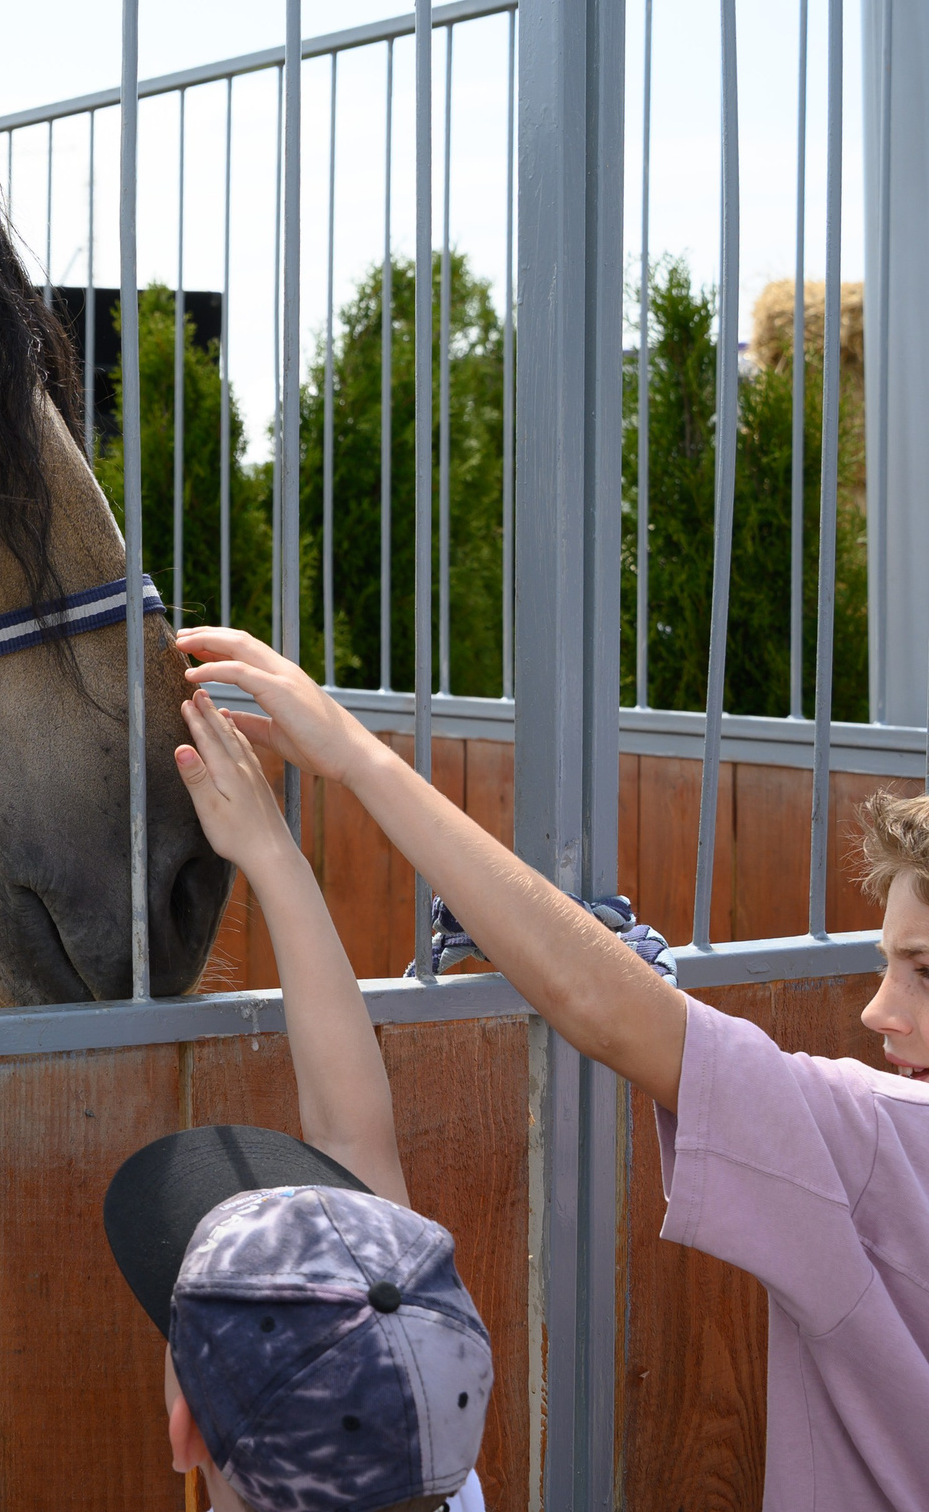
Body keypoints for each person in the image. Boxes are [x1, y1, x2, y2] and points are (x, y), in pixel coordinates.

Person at [173, 624, 929, 1510]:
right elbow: (354, 1145)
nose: (877, 1008)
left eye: (922, 969)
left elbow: (603, 1009)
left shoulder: (887, 1140)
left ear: (187, 1433)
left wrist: (354, 761)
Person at [103, 684, 491, 1512]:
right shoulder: (443, 1488)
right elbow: (355, 1146)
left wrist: (273, 852)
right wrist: (276, 858)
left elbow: (357, 1148)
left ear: (186, 1434)